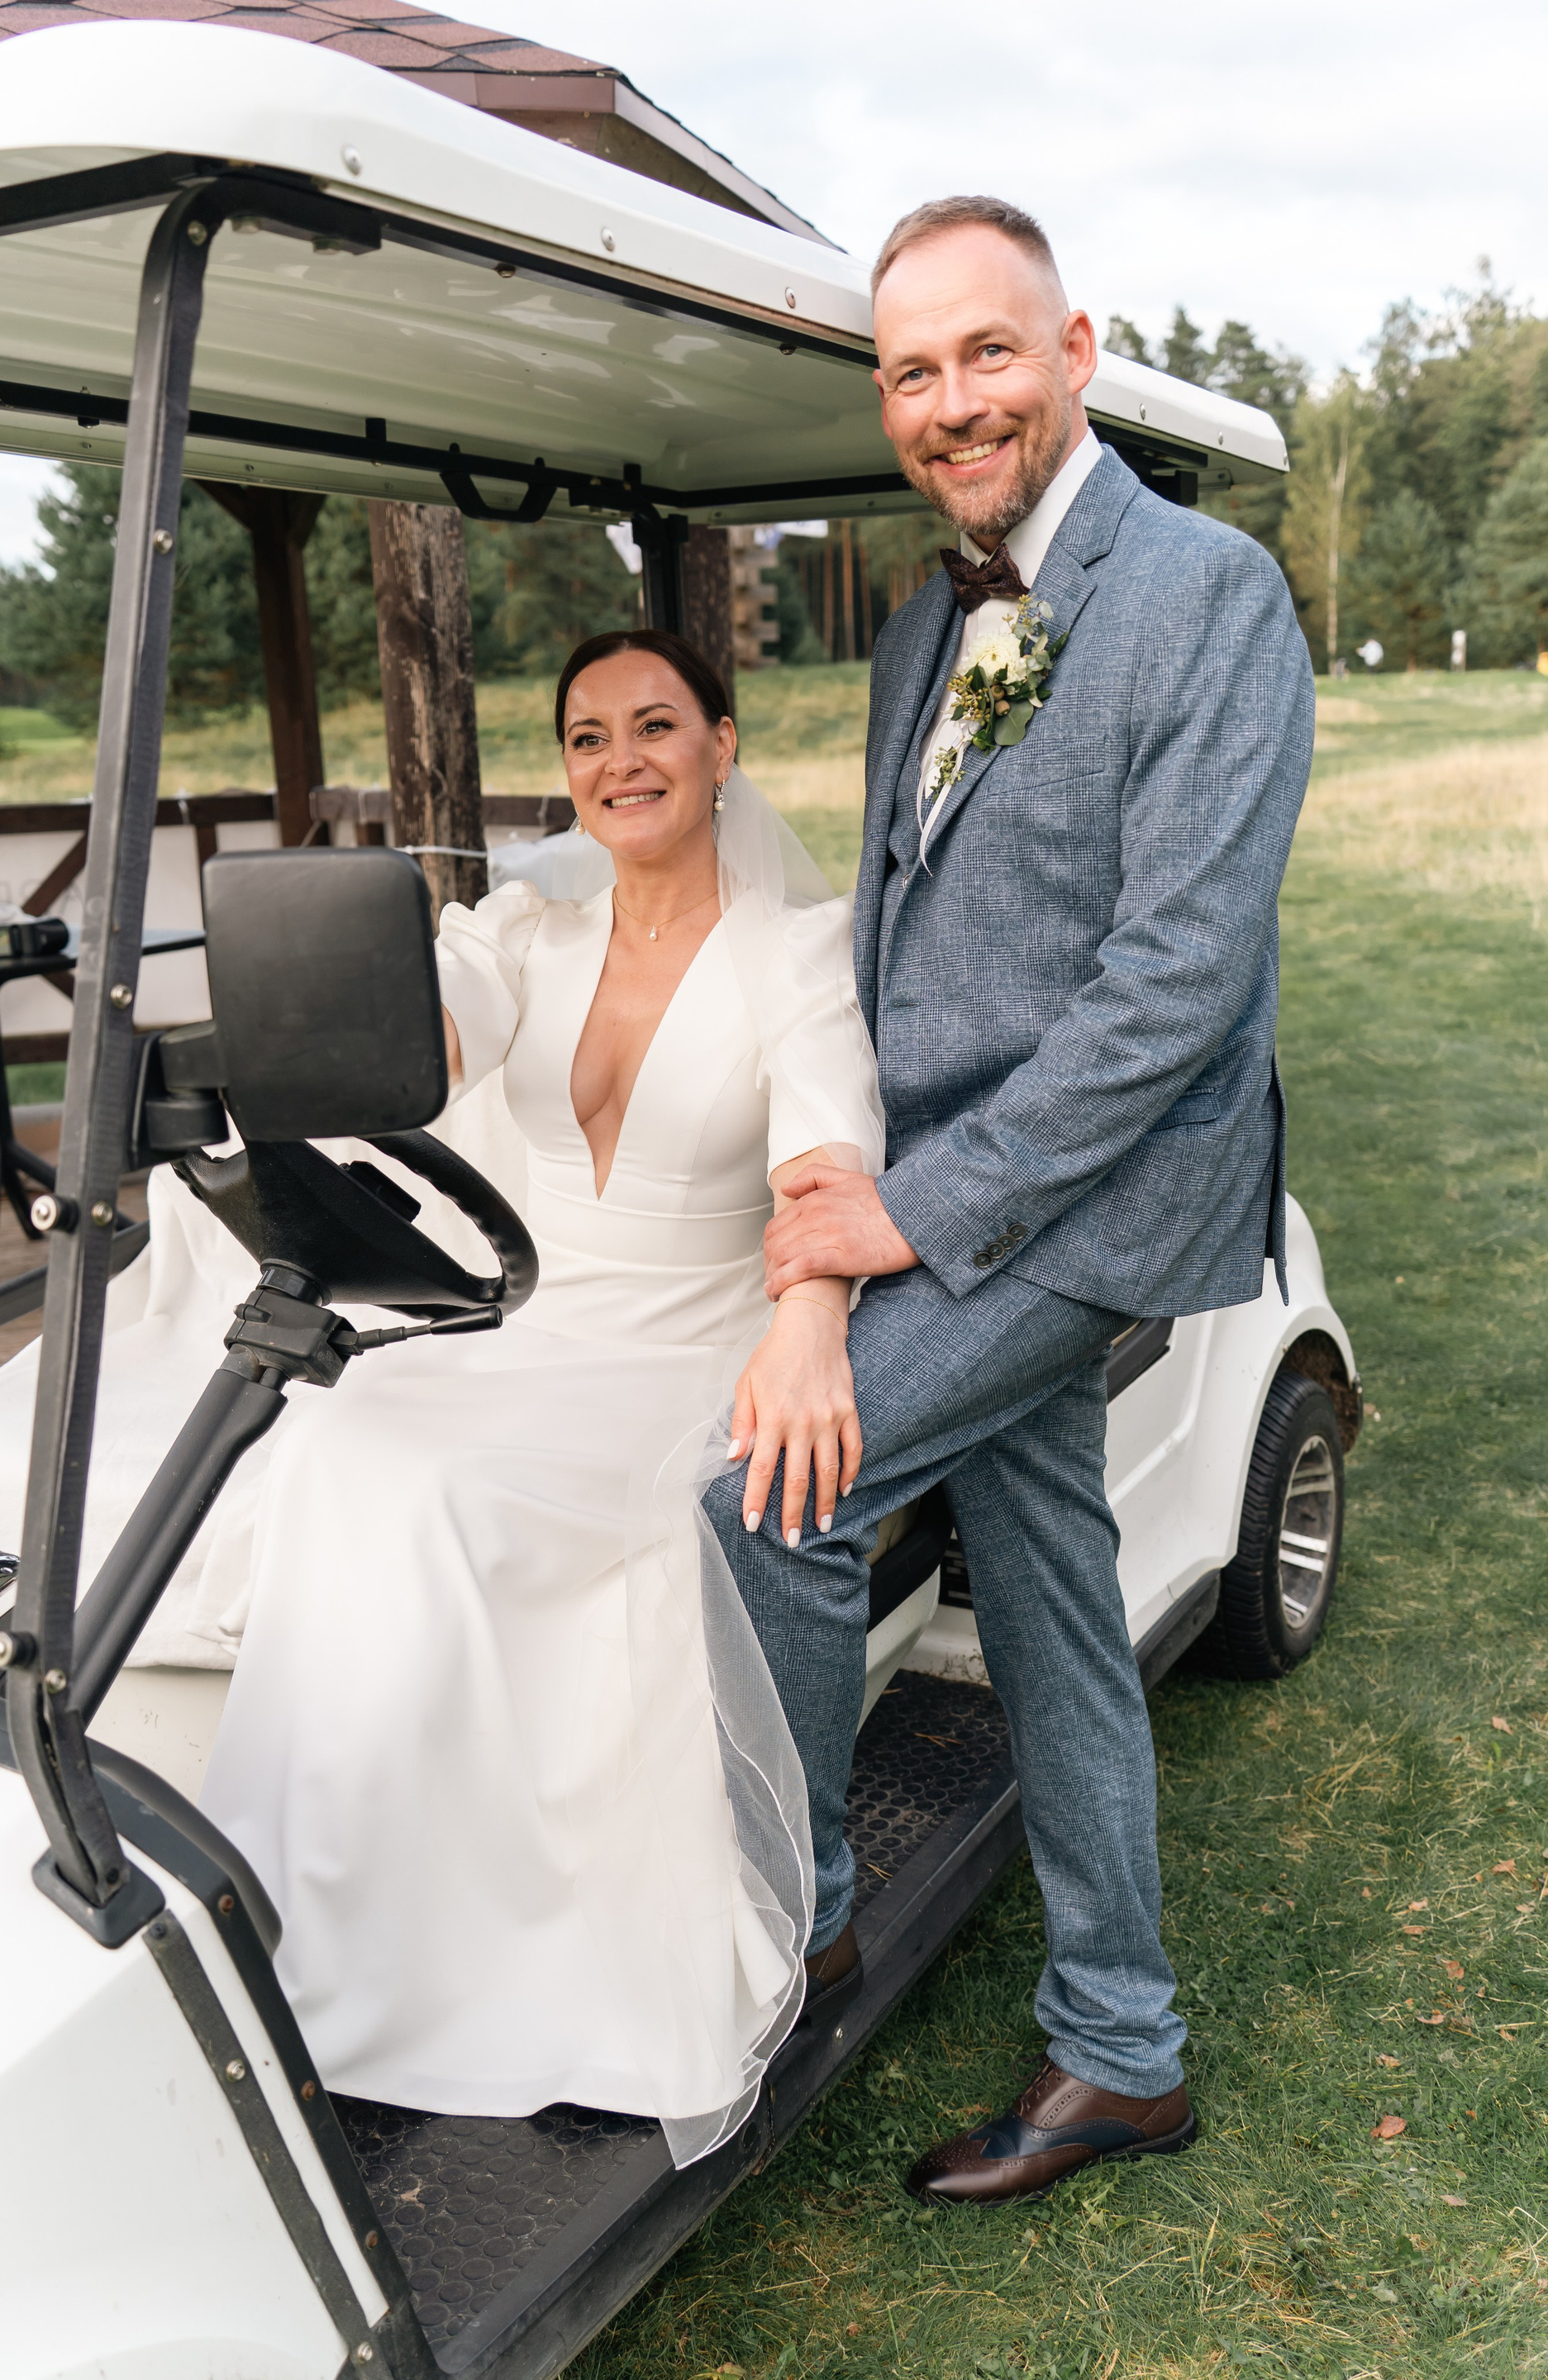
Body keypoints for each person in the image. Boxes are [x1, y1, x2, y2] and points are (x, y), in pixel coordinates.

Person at [0, 631, 884, 2168]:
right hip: (532, 1327)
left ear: (723, 747)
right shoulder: (527, 932)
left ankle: (485, 1960)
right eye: (587, 737)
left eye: (657, 726)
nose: (622, 761)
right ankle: (302, 1927)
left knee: (441, 1491)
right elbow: (417, 1033)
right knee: (334, 1441)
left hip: (679, 1349)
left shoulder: (796, 956)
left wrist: (811, 1321)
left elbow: (823, 1167)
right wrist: (329, 1024)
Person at [703, 195, 1315, 2206]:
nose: (952, 401)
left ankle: (798, 1921)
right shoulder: (922, 627)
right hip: (952, 1189)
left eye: (987, 351)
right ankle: (1124, 2051)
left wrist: (909, 1218)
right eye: (911, 371)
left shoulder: (1209, 594)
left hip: (1100, 1197)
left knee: (774, 1498)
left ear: (1074, 351)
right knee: (1055, 1612)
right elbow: (899, 948)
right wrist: (842, 1178)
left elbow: (1177, 983)